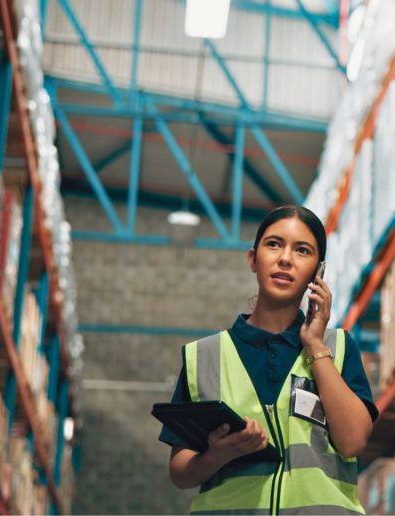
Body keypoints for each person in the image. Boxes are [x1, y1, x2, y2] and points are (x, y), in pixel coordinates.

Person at [158, 205, 376, 514]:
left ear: (318, 272)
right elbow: (180, 472)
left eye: (302, 250)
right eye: (274, 244)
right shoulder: (204, 357)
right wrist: (218, 455)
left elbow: (353, 441)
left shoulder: (338, 347)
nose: (285, 258)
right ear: (252, 259)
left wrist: (314, 344)